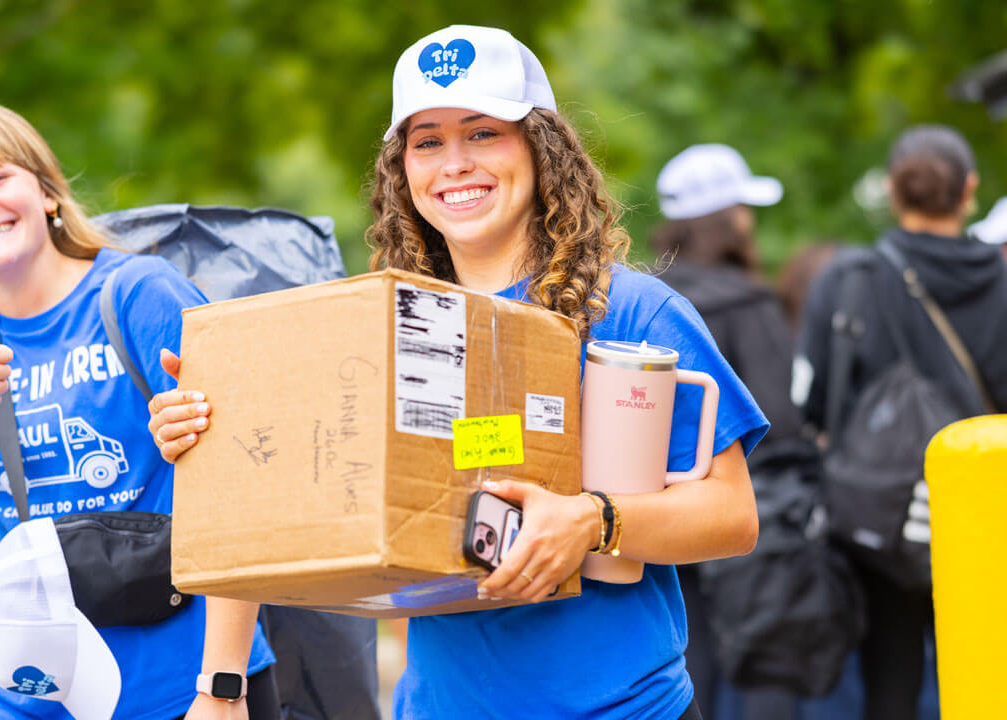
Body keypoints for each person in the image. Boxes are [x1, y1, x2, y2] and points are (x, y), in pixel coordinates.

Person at [153, 25, 766, 719]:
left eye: (483, 134)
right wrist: (210, 432)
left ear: (542, 148)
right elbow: (269, 500)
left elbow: (733, 516)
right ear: (401, 169)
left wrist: (595, 522)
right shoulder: (382, 325)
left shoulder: (633, 311)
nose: (455, 164)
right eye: (427, 141)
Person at [0, 102, 277, 720]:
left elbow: (245, 479)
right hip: (20, 694)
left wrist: (222, 686)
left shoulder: (139, 295)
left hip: (180, 688)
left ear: (46, 193)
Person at [794, 124, 1007, 720]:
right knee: (988, 676)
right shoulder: (1002, 280)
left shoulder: (847, 279)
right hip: (987, 515)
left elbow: (807, 402)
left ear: (893, 191)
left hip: (876, 522)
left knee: (890, 683)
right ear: (969, 190)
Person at [651, 145, 805, 720]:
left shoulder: (644, 300)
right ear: (729, 219)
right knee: (763, 681)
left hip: (654, 518)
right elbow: (782, 420)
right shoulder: (749, 302)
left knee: (683, 669)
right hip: (745, 520)